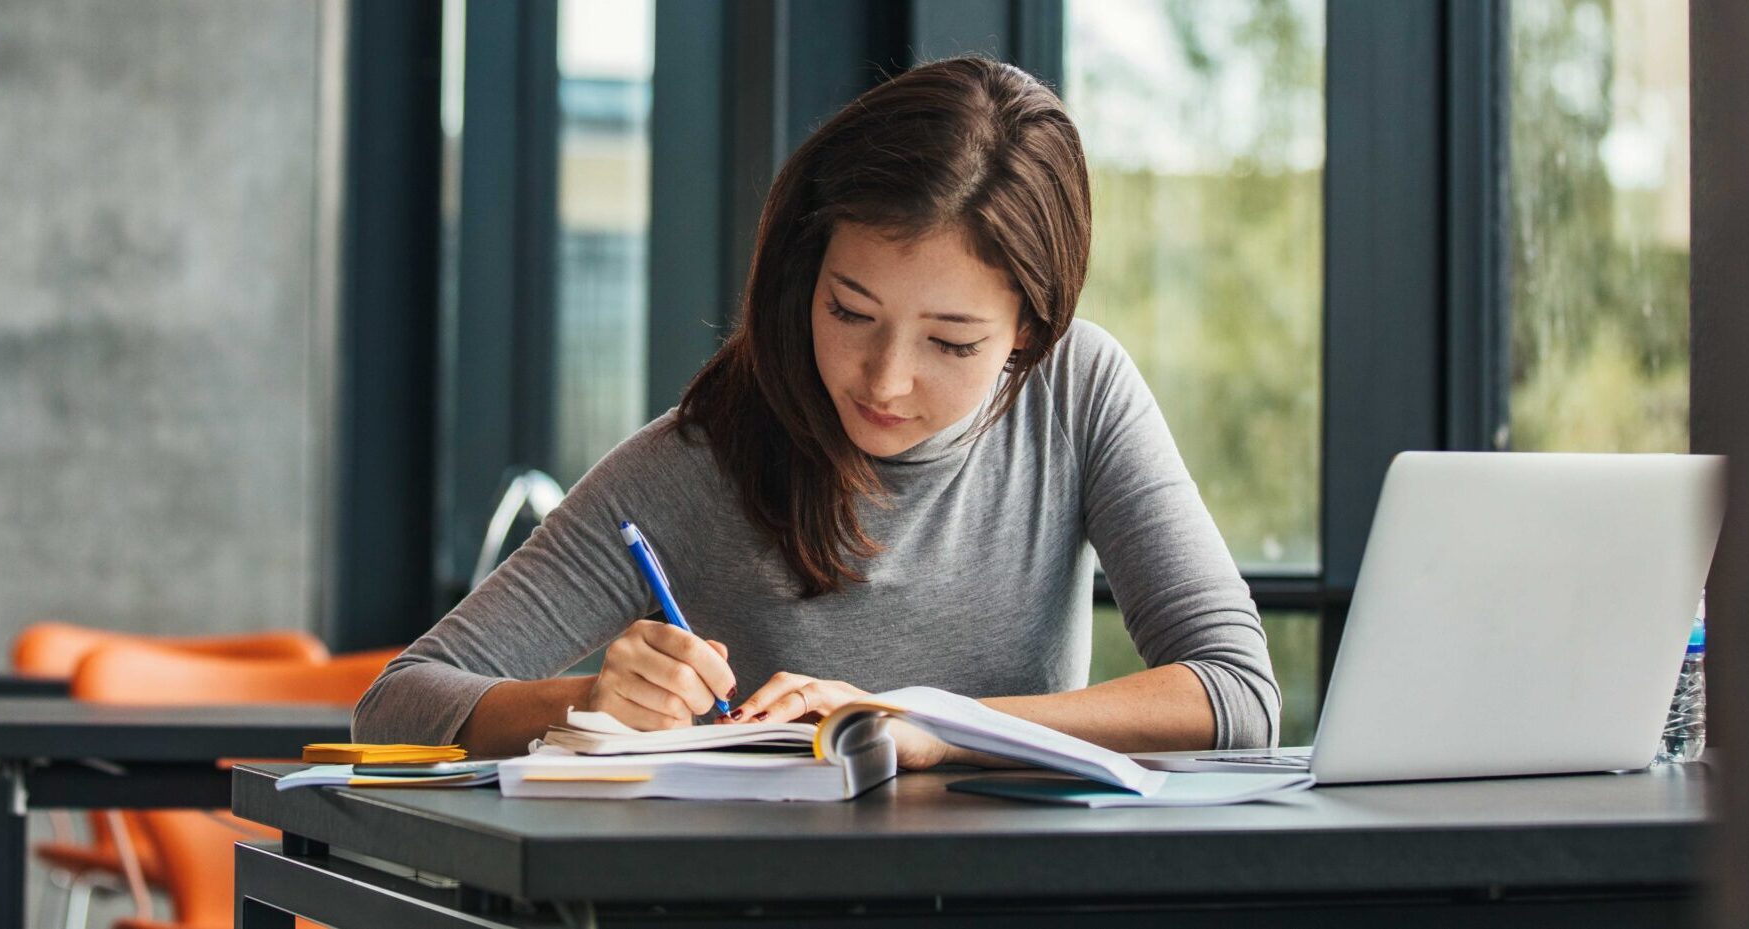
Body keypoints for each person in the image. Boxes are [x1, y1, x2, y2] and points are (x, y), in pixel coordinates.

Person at [354, 56, 1279, 769]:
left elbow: (1234, 693)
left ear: (1029, 334)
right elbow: (395, 704)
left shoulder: (1076, 391)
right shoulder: (700, 459)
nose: (883, 380)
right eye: (849, 312)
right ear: (804, 275)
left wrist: (924, 722)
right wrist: (585, 699)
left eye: (951, 344)